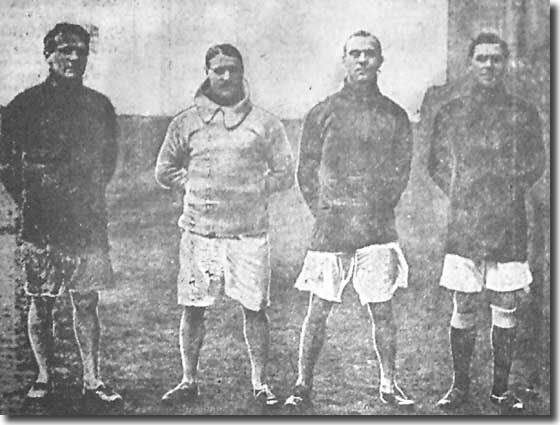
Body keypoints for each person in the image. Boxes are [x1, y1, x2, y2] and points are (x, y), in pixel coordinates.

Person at [155, 43, 294, 408]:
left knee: (255, 309)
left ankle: (260, 383)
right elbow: (164, 169)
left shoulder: (265, 122)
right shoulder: (185, 122)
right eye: (219, 70)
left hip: (249, 234)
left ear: (242, 71)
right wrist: (195, 184)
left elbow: (285, 173)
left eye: (233, 68)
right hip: (200, 232)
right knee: (193, 307)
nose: (227, 76)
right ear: (208, 72)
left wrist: (254, 187)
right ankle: (188, 380)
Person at [284, 30, 414, 411]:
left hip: (375, 228)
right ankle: (302, 384)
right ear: (343, 60)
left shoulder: (394, 114)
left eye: (369, 54)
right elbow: (306, 171)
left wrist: (374, 207)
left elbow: (400, 172)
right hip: (332, 228)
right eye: (354, 54)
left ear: (380, 60)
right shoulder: (322, 112)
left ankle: (389, 383)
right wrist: (324, 209)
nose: (362, 60)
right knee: (317, 311)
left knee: (383, 309)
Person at [0, 23, 122, 405]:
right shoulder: (25, 104)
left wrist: (85, 195)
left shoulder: (99, 105)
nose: (73, 58)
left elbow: (109, 160)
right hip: (41, 220)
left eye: (80, 51)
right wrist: (29, 195)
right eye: (65, 50)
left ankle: (92, 377)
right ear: (48, 55)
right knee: (41, 300)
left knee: (86, 301)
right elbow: (4, 160)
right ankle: (43, 375)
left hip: (85, 220)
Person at [428, 33, 545, 413]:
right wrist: (465, 193)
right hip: (466, 222)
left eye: (496, 59)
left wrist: (505, 190)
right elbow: (436, 164)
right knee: (463, 302)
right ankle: (459, 387)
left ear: (505, 64)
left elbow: (536, 162)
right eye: (482, 59)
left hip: (509, 221)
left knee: (506, 302)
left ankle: (499, 389)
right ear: (470, 63)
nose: (489, 66)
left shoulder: (523, 112)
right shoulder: (452, 112)